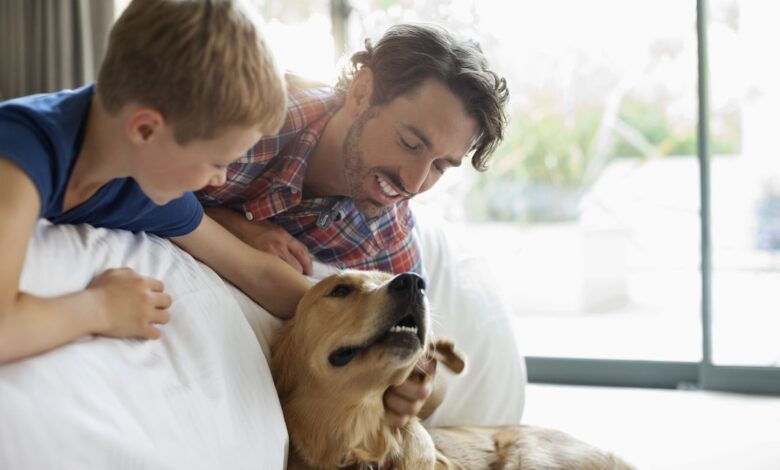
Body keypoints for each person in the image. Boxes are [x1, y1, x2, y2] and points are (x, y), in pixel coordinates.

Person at [197, 23, 510, 428]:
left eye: (439, 166)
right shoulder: (253, 119)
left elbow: (428, 367)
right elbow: (139, 172)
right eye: (411, 144)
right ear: (361, 94)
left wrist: (416, 390)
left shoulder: (387, 236)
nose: (413, 184)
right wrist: (240, 227)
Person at [0, 0, 311, 366]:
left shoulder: (144, 184)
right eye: (217, 163)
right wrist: (100, 307)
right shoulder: (20, 155)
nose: (221, 179)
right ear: (146, 129)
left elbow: (256, 272)